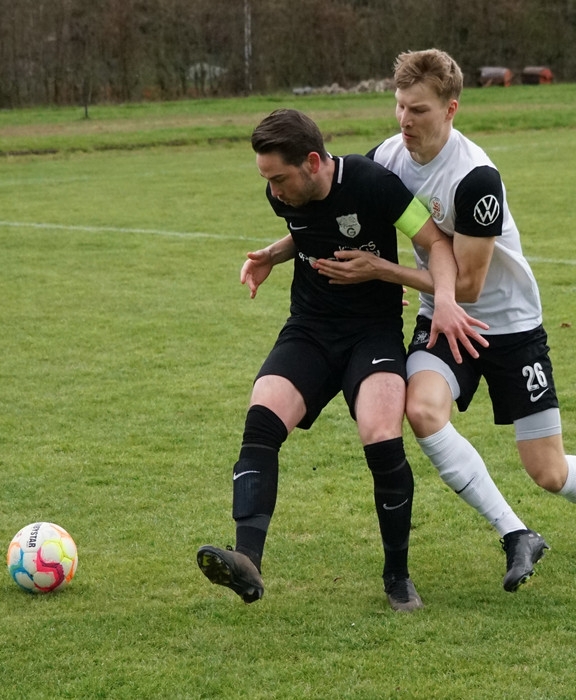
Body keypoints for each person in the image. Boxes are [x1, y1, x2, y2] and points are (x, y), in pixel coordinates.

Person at [314, 49, 576, 577]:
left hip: (510, 326)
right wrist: (278, 251)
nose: (405, 120)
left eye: (419, 110)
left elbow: (470, 286)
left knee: (547, 471)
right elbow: (339, 210)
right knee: (422, 410)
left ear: (450, 109)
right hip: (440, 318)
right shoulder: (386, 157)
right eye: (400, 106)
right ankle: (516, 533)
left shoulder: (475, 178)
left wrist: (383, 271)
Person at [196, 108, 488, 612]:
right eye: (267, 180)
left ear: (312, 162)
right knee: (262, 417)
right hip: (309, 330)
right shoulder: (282, 194)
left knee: (381, 432)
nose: (273, 191)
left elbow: (435, 243)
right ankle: (246, 560)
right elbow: (313, 228)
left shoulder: (373, 183)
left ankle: (397, 577)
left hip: (372, 334)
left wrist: (443, 298)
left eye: (280, 178)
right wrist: (273, 255)